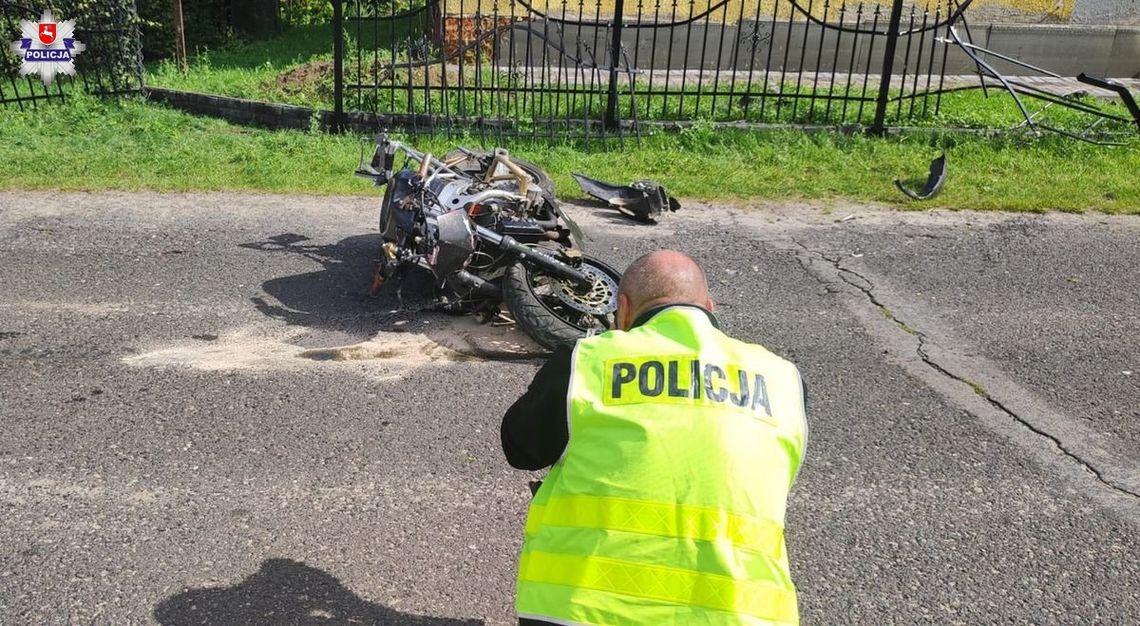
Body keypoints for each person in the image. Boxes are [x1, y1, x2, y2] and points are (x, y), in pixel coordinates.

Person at [501, 249, 809, 626]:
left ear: (624, 310)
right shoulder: (783, 379)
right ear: (709, 307)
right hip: (742, 614)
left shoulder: (587, 361)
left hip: (582, 612)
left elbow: (520, 448)